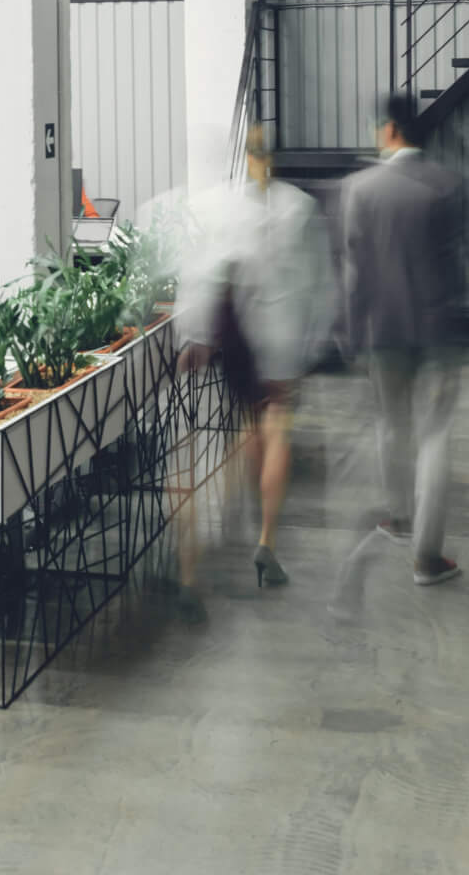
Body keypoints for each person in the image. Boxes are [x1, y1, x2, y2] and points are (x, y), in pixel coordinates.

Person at [177, 128, 334, 590]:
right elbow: (320, 282)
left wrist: (198, 336)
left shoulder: (221, 207)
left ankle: (228, 514)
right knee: (277, 426)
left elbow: (205, 274)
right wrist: (316, 342)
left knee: (247, 423)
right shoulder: (299, 207)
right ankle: (266, 539)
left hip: (241, 338)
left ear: (243, 159)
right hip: (283, 336)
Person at [335, 94, 469, 588]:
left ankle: (399, 518)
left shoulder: (359, 189)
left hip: (382, 331)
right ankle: (427, 558)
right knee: (435, 437)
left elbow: (354, 273)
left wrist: (351, 332)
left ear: (390, 130)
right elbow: (459, 261)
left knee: (391, 427)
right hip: (436, 331)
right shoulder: (446, 184)